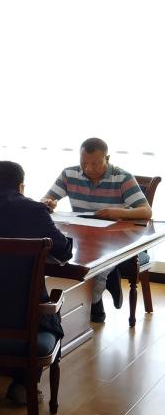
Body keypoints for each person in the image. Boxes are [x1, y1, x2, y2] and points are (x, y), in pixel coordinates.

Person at [0, 160, 72, 405]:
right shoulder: (33, 210)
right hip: (20, 315)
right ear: (21, 187)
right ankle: (23, 383)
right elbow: (63, 251)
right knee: (49, 312)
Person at [41, 137, 152, 323]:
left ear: (107, 158)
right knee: (57, 256)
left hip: (116, 241)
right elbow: (46, 199)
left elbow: (146, 211)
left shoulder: (122, 177)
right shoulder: (69, 174)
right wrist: (48, 203)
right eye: (83, 162)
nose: (88, 168)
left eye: (94, 164)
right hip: (82, 238)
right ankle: (89, 299)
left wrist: (118, 212)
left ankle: (94, 305)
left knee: (98, 267)